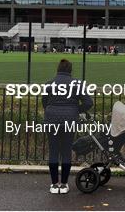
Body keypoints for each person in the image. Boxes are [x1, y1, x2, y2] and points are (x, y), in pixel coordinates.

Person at [42, 59, 93, 194]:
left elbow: (44, 103)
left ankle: (54, 185)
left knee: (53, 151)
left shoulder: (49, 84)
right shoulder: (77, 84)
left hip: (51, 119)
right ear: (70, 70)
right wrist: (77, 109)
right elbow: (88, 102)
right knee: (65, 152)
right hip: (69, 120)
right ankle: (64, 184)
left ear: (58, 69)